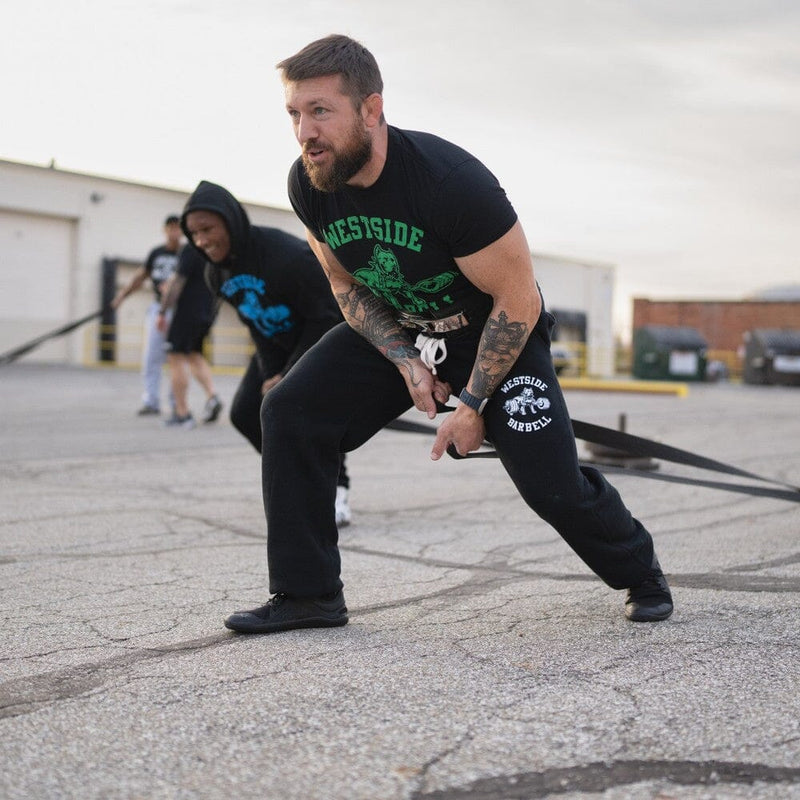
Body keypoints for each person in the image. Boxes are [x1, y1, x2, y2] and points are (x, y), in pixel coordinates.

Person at [222, 34, 674, 635]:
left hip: (494, 335)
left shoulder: (449, 183)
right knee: (288, 411)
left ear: (371, 109)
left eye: (320, 111)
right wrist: (407, 363)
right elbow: (346, 288)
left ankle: (641, 574)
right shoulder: (311, 183)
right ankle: (307, 595)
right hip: (404, 326)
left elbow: (516, 299)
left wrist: (471, 402)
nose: (305, 131)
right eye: (295, 114)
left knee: (552, 487)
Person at [179, 180, 353, 524]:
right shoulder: (216, 274)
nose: (201, 240)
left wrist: (287, 374)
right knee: (246, 412)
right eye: (193, 233)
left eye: (208, 229)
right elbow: (254, 324)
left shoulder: (286, 256)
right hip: (276, 345)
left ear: (229, 220)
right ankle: (299, 482)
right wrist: (272, 371)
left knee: (308, 414)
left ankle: (336, 490)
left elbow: (328, 317)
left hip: (324, 339)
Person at [111, 215, 182, 415]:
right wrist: (121, 297)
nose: (174, 232)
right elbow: (139, 277)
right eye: (170, 228)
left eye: (177, 228)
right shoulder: (157, 254)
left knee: (176, 359)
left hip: (179, 312)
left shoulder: (187, 254)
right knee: (151, 357)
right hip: (158, 308)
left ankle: (178, 403)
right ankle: (151, 401)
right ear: (165, 230)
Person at [156, 245, 224, 429]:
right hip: (206, 313)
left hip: (187, 312)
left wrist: (162, 311)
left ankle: (182, 413)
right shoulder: (215, 250)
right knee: (194, 354)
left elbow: (178, 281)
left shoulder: (191, 249)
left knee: (176, 357)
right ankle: (212, 396)